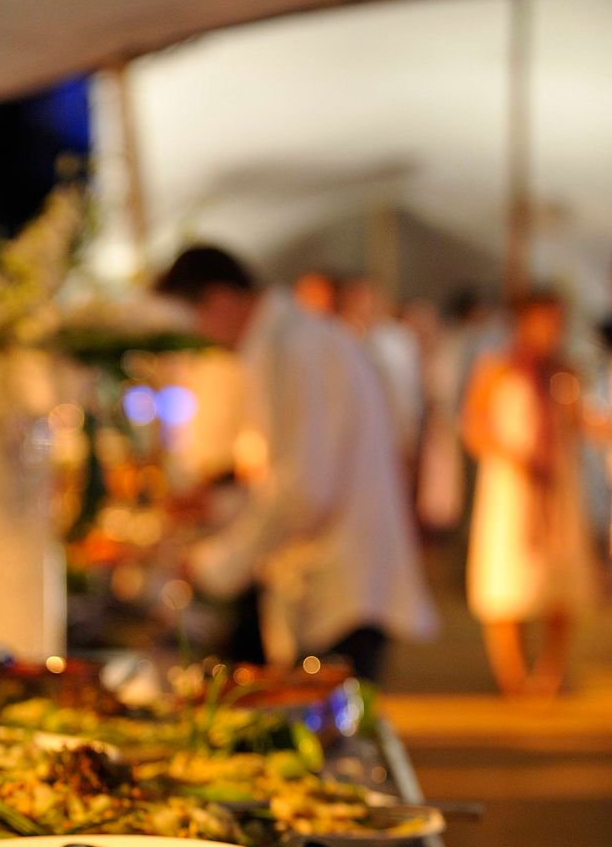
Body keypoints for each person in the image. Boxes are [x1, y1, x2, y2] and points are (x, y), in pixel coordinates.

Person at [154, 246, 436, 683]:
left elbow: (303, 490)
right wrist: (219, 506)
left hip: (342, 583)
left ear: (219, 300)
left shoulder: (295, 348)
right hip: (333, 574)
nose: (201, 342)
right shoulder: (292, 342)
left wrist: (217, 564)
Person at [464, 288, 600, 697]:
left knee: (560, 582)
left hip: (556, 488)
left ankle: (551, 670)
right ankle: (512, 673)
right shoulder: (498, 368)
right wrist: (510, 456)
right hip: (512, 488)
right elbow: (475, 425)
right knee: (509, 579)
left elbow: (580, 422)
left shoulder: (566, 371)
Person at [336, 275, 424, 470]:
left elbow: (407, 392)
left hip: (392, 433)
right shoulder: (341, 339)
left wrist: (409, 435)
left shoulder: (398, 340)